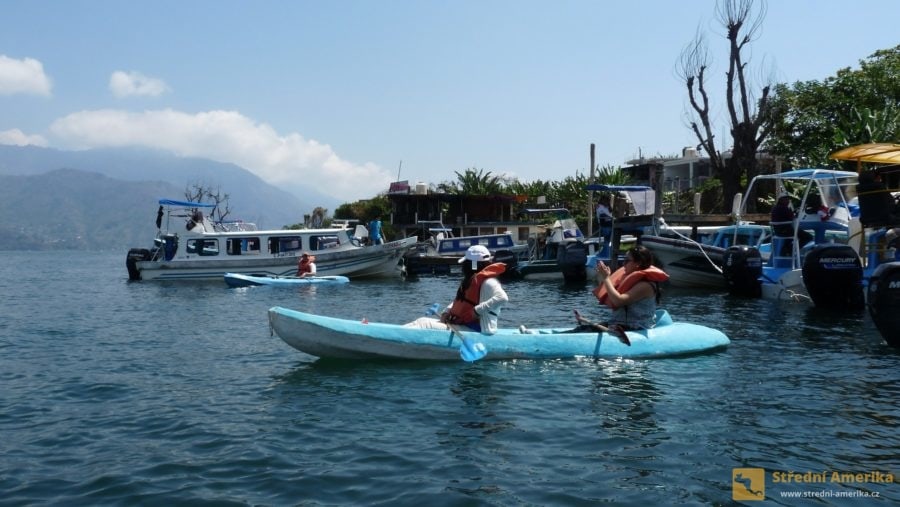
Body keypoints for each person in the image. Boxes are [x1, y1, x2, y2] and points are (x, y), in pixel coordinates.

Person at [404, 245, 508, 334]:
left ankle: (391, 337)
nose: (463, 266)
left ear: (472, 264)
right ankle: (392, 333)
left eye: (466, 263)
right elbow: (462, 301)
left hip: (477, 330)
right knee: (421, 320)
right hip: (463, 325)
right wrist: (447, 312)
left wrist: (476, 311)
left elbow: (502, 298)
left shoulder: (489, 282)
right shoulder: (470, 281)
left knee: (424, 324)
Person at [590, 245, 669, 338]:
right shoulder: (626, 280)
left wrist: (607, 278)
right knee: (583, 329)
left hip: (637, 329)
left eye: (627, 261)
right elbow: (610, 296)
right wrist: (603, 277)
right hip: (619, 326)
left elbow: (618, 301)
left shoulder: (645, 285)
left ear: (638, 263)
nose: (623, 264)